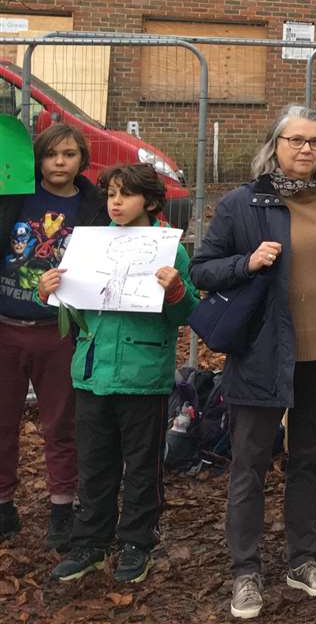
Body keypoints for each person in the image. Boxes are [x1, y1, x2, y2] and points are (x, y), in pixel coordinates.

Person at [190, 105, 316, 621]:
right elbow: (202, 269)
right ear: (276, 145)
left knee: (309, 460)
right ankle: (246, 571)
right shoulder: (243, 204)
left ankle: (302, 559)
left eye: (315, 142)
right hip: (263, 354)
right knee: (249, 464)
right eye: (295, 140)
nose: (306, 150)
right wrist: (245, 262)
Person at [40, 163, 198, 584]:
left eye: (125, 195)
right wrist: (49, 291)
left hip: (142, 376)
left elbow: (188, 312)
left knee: (142, 464)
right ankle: (90, 543)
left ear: (148, 200)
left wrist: (176, 291)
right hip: (92, 374)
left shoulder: (171, 249)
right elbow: (72, 304)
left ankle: (136, 543)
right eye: (110, 194)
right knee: (93, 462)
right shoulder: (88, 244)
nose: (115, 202)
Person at [0, 123, 106, 551]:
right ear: (38, 159)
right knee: (2, 421)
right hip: (6, 327)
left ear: (82, 160)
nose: (60, 162)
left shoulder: (94, 207)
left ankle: (63, 504)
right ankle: (4, 503)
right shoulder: (14, 197)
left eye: (69, 154)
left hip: (59, 333)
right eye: (51, 154)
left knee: (61, 423)